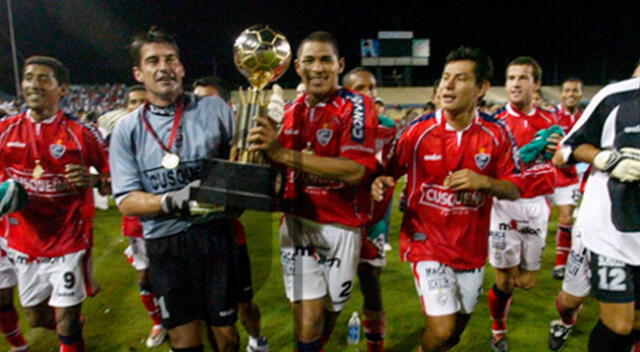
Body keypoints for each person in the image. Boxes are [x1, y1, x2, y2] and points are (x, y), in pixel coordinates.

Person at [372, 46, 520, 352]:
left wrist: (486, 182)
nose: (448, 85)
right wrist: (379, 181)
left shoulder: (497, 134)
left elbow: (515, 188)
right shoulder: (416, 131)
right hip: (426, 243)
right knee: (442, 330)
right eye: (445, 78)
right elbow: (384, 170)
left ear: (481, 88)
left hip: (471, 249)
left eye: (460, 78)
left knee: (453, 334)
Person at [109, 27, 239, 352]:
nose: (163, 67)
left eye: (170, 59)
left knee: (225, 335)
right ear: (139, 73)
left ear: (181, 67)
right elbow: (126, 201)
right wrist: (176, 202)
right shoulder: (126, 129)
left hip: (214, 235)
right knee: (184, 339)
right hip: (164, 244)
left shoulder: (214, 109)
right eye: (153, 61)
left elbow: (243, 162)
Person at [247, 31, 378, 352]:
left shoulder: (356, 105)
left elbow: (355, 170)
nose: (317, 68)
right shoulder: (289, 113)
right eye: (309, 61)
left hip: (343, 227)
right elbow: (274, 173)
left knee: (328, 316)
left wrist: (282, 154)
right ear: (297, 67)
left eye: (325, 60)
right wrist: (257, 157)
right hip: (299, 224)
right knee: (308, 321)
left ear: (339, 65)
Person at [0, 55, 110, 352]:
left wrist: (94, 181)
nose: (33, 84)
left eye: (43, 78)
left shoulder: (82, 133)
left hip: (68, 242)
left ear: (62, 89)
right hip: (24, 241)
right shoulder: (5, 130)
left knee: (67, 324)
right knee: (36, 318)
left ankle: (71, 328)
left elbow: (117, 179)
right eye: (28, 77)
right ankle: (69, 324)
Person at [487, 56, 561, 351]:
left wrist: (559, 156)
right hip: (503, 206)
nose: (515, 83)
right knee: (504, 280)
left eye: (522, 78)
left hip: (535, 207)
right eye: (511, 78)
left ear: (537, 84)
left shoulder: (551, 125)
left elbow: (565, 169)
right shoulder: (494, 124)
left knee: (527, 280)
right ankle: (498, 331)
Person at [192, 76, 269, 352]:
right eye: (197, 101)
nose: (203, 109)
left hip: (228, 239)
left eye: (210, 102)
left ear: (225, 106)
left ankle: (257, 341)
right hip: (188, 242)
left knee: (244, 304)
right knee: (201, 311)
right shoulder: (182, 140)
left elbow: (247, 197)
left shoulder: (239, 142)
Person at [342, 67, 395, 352]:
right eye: (359, 89)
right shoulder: (334, 126)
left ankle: (376, 344)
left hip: (373, 221)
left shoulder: (389, 128)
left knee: (371, 283)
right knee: (328, 294)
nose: (368, 94)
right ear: (347, 95)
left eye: (372, 88)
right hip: (337, 220)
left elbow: (397, 169)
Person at [548, 78, 584, 280]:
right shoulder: (551, 116)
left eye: (575, 91)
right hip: (546, 174)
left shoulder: (585, 117)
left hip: (569, 176)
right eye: (568, 90)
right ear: (561, 93)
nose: (571, 94)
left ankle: (561, 263)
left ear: (581, 94)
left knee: (566, 218)